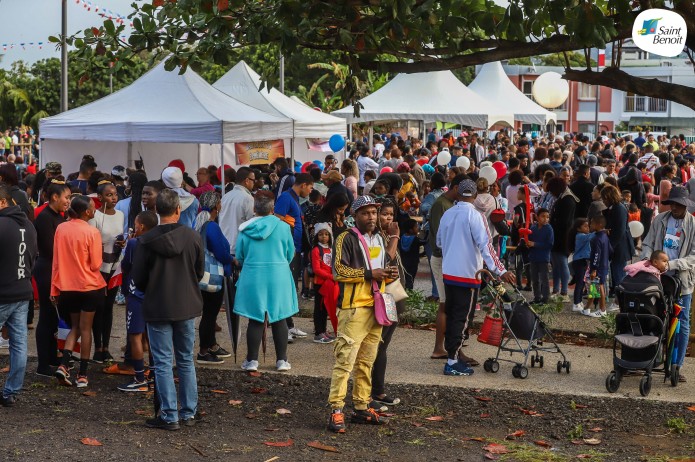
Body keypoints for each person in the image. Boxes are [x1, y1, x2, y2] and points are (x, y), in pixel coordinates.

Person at [131, 189, 204, 430]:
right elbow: (199, 271)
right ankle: (188, 411)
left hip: (158, 304)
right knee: (185, 359)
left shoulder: (145, 241)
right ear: (178, 210)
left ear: (155, 210)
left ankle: (169, 414)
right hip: (186, 303)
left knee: (162, 362)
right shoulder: (192, 237)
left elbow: (138, 279)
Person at [328, 195, 397, 433]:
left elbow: (379, 268)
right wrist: (371, 274)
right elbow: (338, 271)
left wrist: (387, 274)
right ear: (354, 216)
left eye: (374, 213)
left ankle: (361, 406)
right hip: (353, 308)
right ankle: (336, 410)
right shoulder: (345, 237)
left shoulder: (378, 237)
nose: (371, 217)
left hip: (375, 307)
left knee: (367, 361)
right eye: (366, 213)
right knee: (345, 362)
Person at [437, 179, 515, 376]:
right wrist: (501, 270)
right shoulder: (475, 215)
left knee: (453, 314)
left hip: (449, 273)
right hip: (467, 274)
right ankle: (452, 360)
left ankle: (452, 354)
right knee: (462, 318)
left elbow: (439, 241)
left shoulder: (448, 213)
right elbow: (486, 246)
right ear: (474, 195)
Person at [234, 193, 298, 372]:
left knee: (255, 318)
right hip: (279, 275)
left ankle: (252, 360)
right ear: (272, 209)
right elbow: (290, 252)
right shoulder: (283, 227)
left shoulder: (246, 229)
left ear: (254, 209)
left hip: (253, 275)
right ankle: (282, 360)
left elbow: (240, 255)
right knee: (279, 317)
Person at [642, 186, 695, 383]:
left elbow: (693, 257)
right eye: (671, 203)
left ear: (686, 205)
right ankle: (650, 359)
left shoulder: (693, 225)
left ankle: (676, 365)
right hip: (657, 278)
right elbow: (647, 243)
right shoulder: (660, 220)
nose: (674, 207)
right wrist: (647, 260)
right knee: (653, 318)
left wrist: (671, 264)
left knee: (681, 323)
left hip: (682, 281)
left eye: (678, 204)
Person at [52, 195, 106, 388]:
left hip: (67, 288)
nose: (95, 210)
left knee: (74, 327)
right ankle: (82, 374)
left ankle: (64, 364)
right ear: (86, 212)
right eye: (92, 208)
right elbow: (95, 264)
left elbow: (56, 262)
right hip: (90, 287)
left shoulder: (61, 228)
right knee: (86, 329)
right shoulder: (92, 232)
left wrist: (54, 288)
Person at [0, 184, 38, 406]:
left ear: (3, 202)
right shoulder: (29, 226)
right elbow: (33, 257)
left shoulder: (2, 225)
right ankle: (10, 392)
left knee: (18, 344)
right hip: (23, 291)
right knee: (19, 345)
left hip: (3, 293)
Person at [428, 174, 468, 361]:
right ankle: (439, 347)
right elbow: (439, 238)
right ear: (456, 187)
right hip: (442, 259)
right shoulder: (440, 205)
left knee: (449, 304)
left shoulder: (450, 205)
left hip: (449, 259)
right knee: (445, 303)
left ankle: (446, 347)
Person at [117, 211, 158, 392]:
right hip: (154, 294)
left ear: (141, 226)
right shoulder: (160, 241)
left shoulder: (135, 243)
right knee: (152, 336)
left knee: (135, 336)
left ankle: (140, 377)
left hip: (136, 295)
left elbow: (126, 265)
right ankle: (155, 376)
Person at [33, 179, 70, 377]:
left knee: (54, 317)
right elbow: (49, 248)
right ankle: (42, 364)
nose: (68, 201)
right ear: (55, 197)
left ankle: (51, 357)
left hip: (56, 270)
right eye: (66, 197)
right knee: (46, 316)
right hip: (47, 269)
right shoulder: (45, 217)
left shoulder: (59, 216)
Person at [370, 198, 403, 409]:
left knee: (383, 345)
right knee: (377, 345)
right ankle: (373, 392)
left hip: (394, 294)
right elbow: (386, 261)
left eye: (391, 214)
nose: (388, 217)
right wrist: (395, 237)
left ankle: (379, 391)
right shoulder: (377, 238)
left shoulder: (384, 236)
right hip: (383, 296)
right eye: (384, 214)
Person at [194, 192, 234, 365]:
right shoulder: (212, 226)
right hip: (213, 276)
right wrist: (232, 259)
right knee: (210, 314)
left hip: (201, 274)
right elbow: (221, 252)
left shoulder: (199, 223)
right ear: (217, 205)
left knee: (209, 313)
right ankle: (204, 350)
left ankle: (212, 344)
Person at [89, 181, 125, 363]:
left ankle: (107, 347)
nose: (113, 198)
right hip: (98, 267)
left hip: (114, 265)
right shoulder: (94, 216)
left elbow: (120, 237)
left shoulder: (120, 215)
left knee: (109, 307)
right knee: (98, 307)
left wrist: (122, 243)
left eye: (115, 194)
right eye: (109, 195)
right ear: (100, 197)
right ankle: (98, 347)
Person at [274, 173, 314, 340]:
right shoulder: (285, 197)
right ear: (303, 185)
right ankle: (283, 327)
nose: (311, 191)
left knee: (290, 288)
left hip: (294, 249)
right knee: (284, 289)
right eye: (311, 187)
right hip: (286, 251)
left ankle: (289, 326)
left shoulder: (294, 198)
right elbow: (277, 221)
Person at [601, 184, 632, 307]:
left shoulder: (618, 208)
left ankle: (619, 301)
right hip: (617, 246)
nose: (603, 201)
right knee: (617, 273)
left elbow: (619, 231)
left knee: (619, 274)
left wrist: (610, 247)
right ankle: (619, 299)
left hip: (619, 247)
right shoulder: (616, 207)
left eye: (604, 198)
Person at [548, 177, 578, 301]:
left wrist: (553, 222)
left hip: (563, 237)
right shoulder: (563, 197)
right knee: (556, 265)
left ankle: (564, 292)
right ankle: (556, 289)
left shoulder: (568, 200)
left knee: (562, 264)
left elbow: (564, 222)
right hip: (558, 236)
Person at [219, 167, 256, 258]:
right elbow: (252, 224)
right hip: (239, 247)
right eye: (253, 180)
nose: (254, 183)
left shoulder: (225, 197)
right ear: (247, 180)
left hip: (224, 245)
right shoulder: (248, 199)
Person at [311, 223, 336, 344]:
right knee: (319, 307)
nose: (324, 237)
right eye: (321, 234)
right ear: (317, 236)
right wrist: (331, 276)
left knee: (326, 307)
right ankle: (318, 332)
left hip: (330, 282)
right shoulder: (316, 250)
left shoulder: (332, 249)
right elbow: (316, 269)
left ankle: (324, 330)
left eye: (326, 234)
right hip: (320, 282)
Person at [584, 215, 610, 317]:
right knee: (594, 286)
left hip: (598, 267)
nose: (590, 225)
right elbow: (610, 250)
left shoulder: (596, 239)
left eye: (592, 223)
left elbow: (596, 255)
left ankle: (602, 309)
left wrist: (594, 268)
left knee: (600, 286)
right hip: (604, 264)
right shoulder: (605, 237)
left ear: (599, 225)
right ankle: (587, 308)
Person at [528, 208, 554, 304]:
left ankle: (545, 298)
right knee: (535, 279)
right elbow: (529, 239)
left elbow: (549, 244)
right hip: (533, 257)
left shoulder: (549, 229)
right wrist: (527, 243)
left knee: (544, 279)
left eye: (547, 217)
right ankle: (537, 297)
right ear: (537, 217)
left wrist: (534, 244)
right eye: (543, 216)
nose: (545, 219)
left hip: (544, 258)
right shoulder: (533, 228)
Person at [569, 219, 593, 312]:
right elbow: (591, 236)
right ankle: (576, 303)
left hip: (582, 261)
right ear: (578, 228)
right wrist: (600, 231)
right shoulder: (580, 236)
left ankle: (579, 301)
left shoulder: (582, 235)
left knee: (582, 282)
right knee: (579, 283)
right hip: (579, 261)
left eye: (588, 226)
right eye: (585, 226)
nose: (588, 228)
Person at [399, 219, 422, 290]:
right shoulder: (416, 239)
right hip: (413, 263)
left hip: (403, 261)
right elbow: (424, 242)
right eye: (416, 226)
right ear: (410, 230)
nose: (418, 228)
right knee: (411, 279)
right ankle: (410, 294)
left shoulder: (401, 238)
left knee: (404, 278)